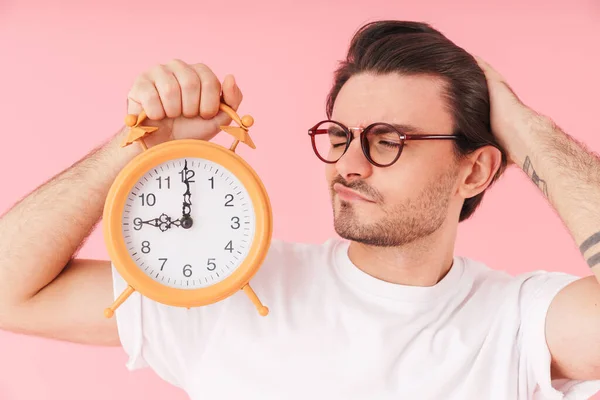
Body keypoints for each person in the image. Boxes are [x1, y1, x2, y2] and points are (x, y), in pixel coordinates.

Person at [0, 19, 599, 400]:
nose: (349, 165)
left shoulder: (520, 322)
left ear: (476, 170)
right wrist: (139, 146)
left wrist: (530, 131)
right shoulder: (225, 288)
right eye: (340, 135)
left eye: (388, 140)